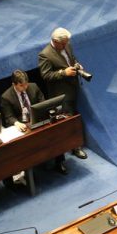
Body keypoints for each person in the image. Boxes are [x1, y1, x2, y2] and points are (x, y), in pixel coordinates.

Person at [38, 27, 89, 163]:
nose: (66, 45)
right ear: (55, 41)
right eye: (63, 43)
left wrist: (76, 64)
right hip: (60, 93)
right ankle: (75, 147)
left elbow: (71, 59)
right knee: (68, 120)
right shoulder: (45, 54)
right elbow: (46, 75)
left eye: (66, 42)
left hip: (73, 88)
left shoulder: (67, 45)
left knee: (74, 114)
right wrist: (63, 73)